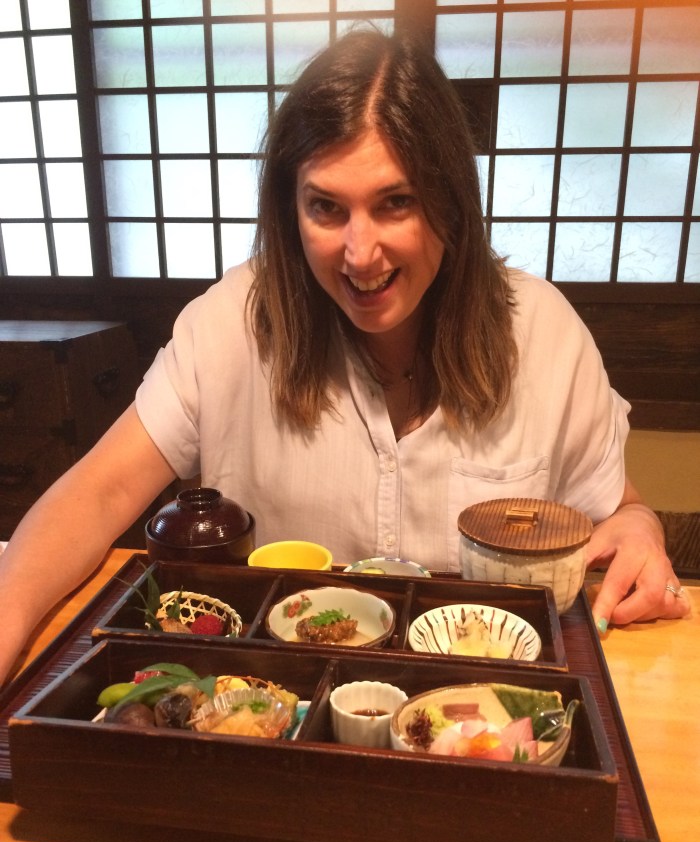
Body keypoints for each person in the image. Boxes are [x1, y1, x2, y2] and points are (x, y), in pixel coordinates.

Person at [0, 27, 688, 685]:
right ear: (289, 208)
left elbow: (618, 509)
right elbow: (97, 493)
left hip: (475, 703)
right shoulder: (233, 324)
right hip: (275, 708)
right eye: (326, 208)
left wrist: (638, 529)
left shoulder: (542, 333)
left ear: (448, 202)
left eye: (396, 203)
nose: (361, 254)